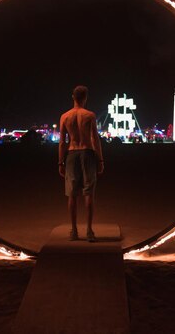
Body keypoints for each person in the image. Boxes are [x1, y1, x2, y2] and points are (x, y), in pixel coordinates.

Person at [58, 85, 104, 242]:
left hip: (71, 153)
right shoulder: (89, 115)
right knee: (89, 193)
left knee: (72, 194)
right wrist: (100, 159)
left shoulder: (65, 117)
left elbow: (62, 142)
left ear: (73, 97)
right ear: (85, 98)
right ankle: (89, 231)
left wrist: (60, 162)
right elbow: (94, 139)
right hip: (87, 153)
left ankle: (74, 230)